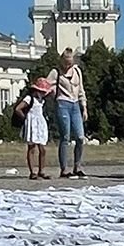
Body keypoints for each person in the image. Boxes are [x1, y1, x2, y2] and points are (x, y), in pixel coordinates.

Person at [52, 49, 88, 178]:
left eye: (70, 63)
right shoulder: (56, 72)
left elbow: (81, 90)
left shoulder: (77, 71)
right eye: (66, 63)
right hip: (62, 103)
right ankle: (64, 169)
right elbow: (47, 85)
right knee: (65, 137)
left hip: (75, 104)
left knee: (80, 137)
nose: (68, 66)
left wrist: (84, 107)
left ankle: (77, 167)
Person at [15, 76, 53, 179]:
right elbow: (18, 109)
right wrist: (25, 118)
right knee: (31, 148)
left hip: (40, 123)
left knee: (42, 149)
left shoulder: (42, 100)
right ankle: (32, 172)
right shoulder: (29, 98)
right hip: (32, 123)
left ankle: (41, 170)